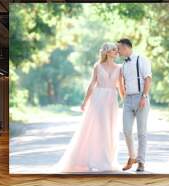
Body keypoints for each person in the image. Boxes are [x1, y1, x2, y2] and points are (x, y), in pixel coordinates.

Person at [54, 43, 125, 172]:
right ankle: (91, 160)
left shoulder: (119, 68)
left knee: (110, 129)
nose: (117, 52)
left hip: (111, 101)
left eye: (116, 50)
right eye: (114, 50)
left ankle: (106, 160)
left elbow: (120, 86)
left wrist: (125, 100)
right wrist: (84, 102)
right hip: (98, 99)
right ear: (107, 52)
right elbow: (92, 84)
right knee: (96, 128)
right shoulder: (98, 66)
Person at [117, 38, 152, 172]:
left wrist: (144, 96)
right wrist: (124, 97)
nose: (118, 51)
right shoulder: (123, 65)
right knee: (126, 130)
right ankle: (132, 157)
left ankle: (141, 162)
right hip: (128, 100)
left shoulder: (141, 59)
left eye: (119, 48)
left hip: (140, 97)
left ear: (126, 48)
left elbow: (148, 78)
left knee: (141, 132)